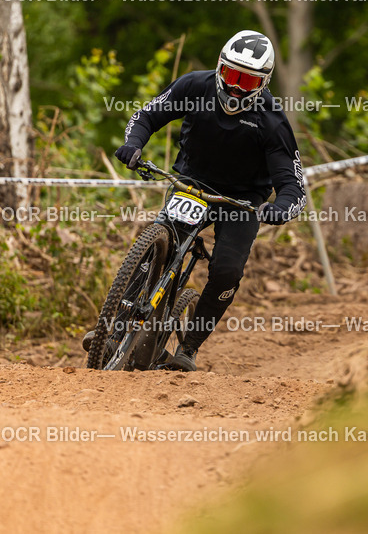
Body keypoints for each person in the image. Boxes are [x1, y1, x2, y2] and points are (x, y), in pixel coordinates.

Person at [85, 30, 306, 371]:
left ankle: (189, 346)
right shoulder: (194, 87)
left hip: (241, 200)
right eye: (231, 76)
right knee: (160, 238)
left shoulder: (272, 121)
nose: (235, 88)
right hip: (190, 182)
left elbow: (292, 184)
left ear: (263, 83)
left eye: (247, 82)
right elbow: (146, 115)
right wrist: (134, 144)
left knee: (227, 271)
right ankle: (114, 331)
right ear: (219, 68)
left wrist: (281, 207)